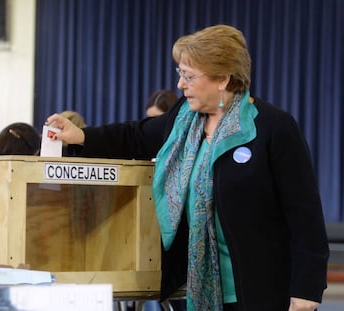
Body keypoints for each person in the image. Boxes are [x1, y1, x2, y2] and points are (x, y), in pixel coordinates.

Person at [45, 25, 329, 311]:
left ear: (222, 79)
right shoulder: (183, 119)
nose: (180, 84)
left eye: (189, 76)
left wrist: (306, 290)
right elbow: (135, 135)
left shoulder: (273, 128)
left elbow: (305, 217)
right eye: (180, 74)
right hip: (201, 292)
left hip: (262, 291)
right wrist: (81, 135)